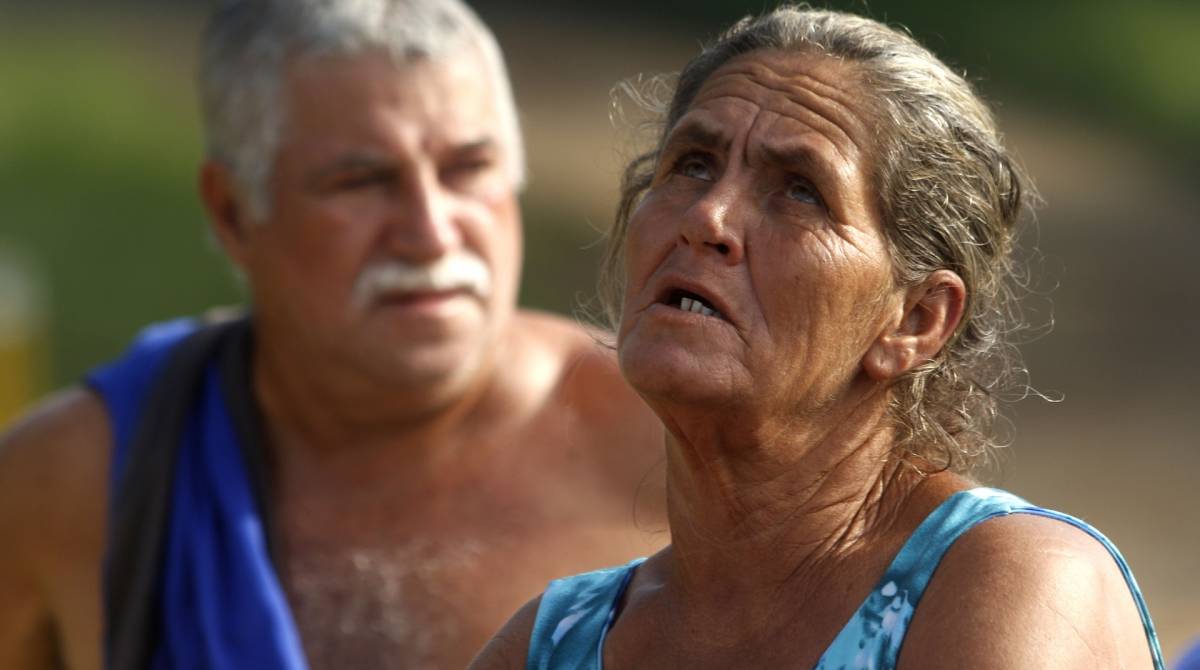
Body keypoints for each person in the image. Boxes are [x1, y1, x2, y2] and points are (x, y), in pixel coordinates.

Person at [471, 6, 1166, 669]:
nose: (708, 217)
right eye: (693, 164)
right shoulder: (555, 642)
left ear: (916, 320)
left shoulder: (1006, 585)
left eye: (800, 190)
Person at [0, 1, 668, 668]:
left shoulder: (670, 445)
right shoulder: (82, 481)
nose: (431, 232)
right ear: (233, 213)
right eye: (363, 181)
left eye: (467, 170)